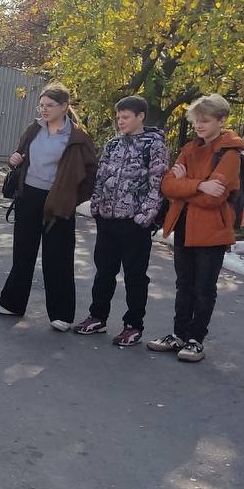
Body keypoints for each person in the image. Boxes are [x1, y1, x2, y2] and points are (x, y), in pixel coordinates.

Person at [0, 83, 98, 331]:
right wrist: (15, 159)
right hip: (29, 197)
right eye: (41, 105)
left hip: (58, 202)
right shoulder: (34, 129)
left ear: (64, 107)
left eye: (49, 106)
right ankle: (11, 303)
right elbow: (20, 155)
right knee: (22, 253)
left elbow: (90, 175)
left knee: (58, 257)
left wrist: (72, 200)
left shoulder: (77, 138)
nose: (44, 110)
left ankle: (62, 315)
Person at [148, 94, 244, 362]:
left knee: (204, 287)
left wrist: (186, 186)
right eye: (196, 121)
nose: (199, 126)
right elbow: (167, 185)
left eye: (205, 121)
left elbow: (215, 198)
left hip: (212, 230)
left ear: (221, 120)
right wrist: (200, 184)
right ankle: (179, 334)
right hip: (184, 225)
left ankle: (195, 339)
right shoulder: (190, 148)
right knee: (184, 285)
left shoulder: (229, 154)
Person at [73, 96, 168, 346]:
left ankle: (133, 325)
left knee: (135, 276)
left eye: (125, 117)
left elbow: (158, 184)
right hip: (107, 219)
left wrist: (145, 216)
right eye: (118, 117)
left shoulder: (154, 145)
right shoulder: (113, 145)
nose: (120, 121)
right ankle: (97, 316)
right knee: (104, 271)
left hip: (135, 223)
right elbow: (101, 177)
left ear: (141, 117)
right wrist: (96, 204)